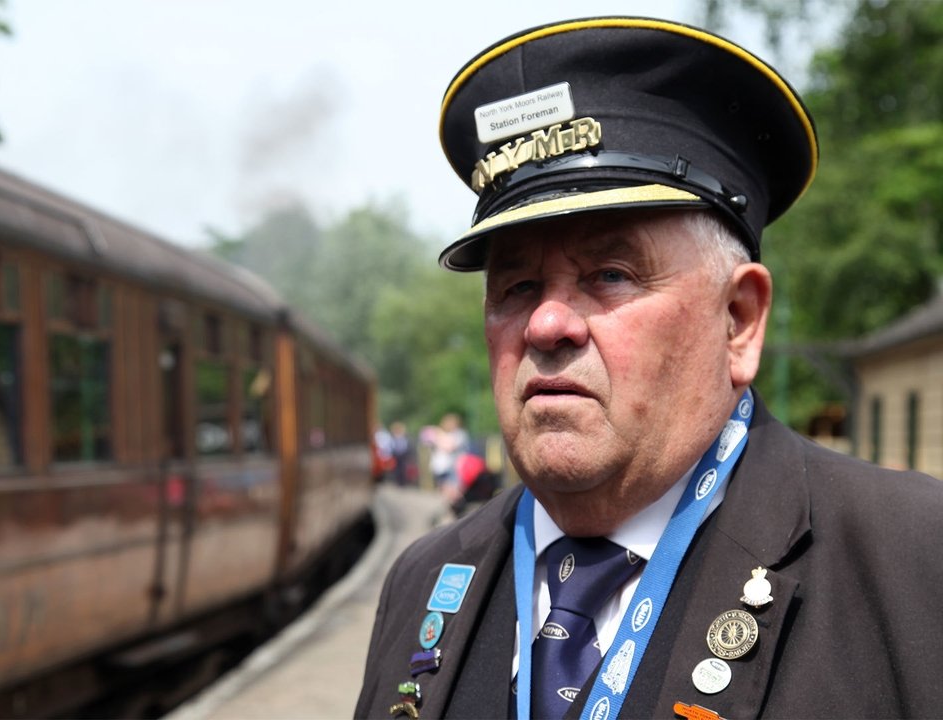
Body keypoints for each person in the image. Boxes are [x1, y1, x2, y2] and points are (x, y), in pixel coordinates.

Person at [356, 16, 943, 720]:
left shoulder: (914, 563)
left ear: (740, 321)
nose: (546, 323)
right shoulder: (424, 579)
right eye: (516, 287)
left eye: (609, 274)